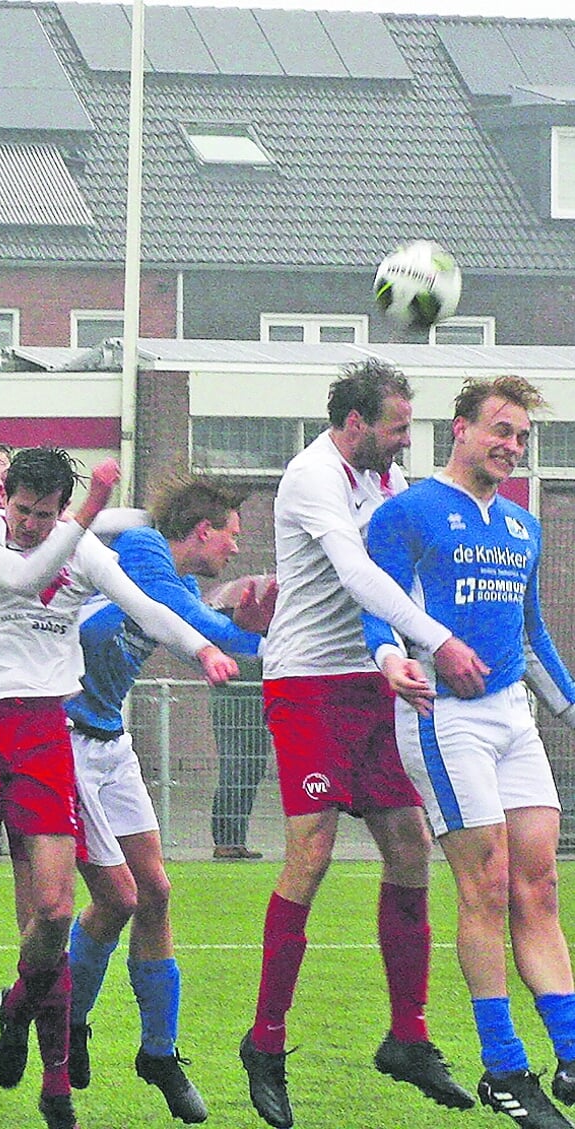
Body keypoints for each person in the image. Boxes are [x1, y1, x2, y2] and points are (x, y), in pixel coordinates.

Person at [0, 448, 236, 1129]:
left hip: (45, 734)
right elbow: (19, 573)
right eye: (6, 494)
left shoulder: (79, 547)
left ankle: (53, 1072)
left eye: (42, 510)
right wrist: (87, 511)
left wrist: (202, 647)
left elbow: (144, 605)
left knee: (60, 913)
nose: (27, 520)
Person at [237, 359, 493, 1129]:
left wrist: (408, 649)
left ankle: (407, 1037)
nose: (403, 439)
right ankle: (265, 1040)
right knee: (309, 854)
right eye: (395, 426)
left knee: (409, 846)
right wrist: (435, 640)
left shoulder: (385, 480)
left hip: (372, 684)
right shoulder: (312, 475)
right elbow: (354, 572)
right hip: (307, 685)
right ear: (354, 423)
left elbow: (402, 574)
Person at [363, 376, 575, 1129]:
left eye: (520, 437)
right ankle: (504, 1068)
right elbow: (378, 610)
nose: (511, 447)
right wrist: (392, 661)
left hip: (511, 718)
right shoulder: (406, 512)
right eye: (500, 430)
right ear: (459, 428)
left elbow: (533, 635)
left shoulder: (522, 524)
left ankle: (571, 1051)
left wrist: (569, 705)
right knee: (483, 886)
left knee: (539, 884)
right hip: (440, 718)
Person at [60, 473, 273, 1124]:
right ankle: (62, 1016)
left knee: (153, 892)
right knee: (117, 896)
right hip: (58, 737)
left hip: (107, 740)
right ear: (201, 530)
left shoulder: (180, 586)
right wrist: (227, 617)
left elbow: (219, 636)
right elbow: (178, 612)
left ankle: (158, 1051)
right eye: (231, 536)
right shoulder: (144, 548)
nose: (234, 550)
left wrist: (291, 640)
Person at [208, 672, 268, 859]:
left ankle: (236, 840)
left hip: (257, 708)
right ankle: (226, 841)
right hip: (234, 707)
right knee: (234, 771)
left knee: (252, 772)